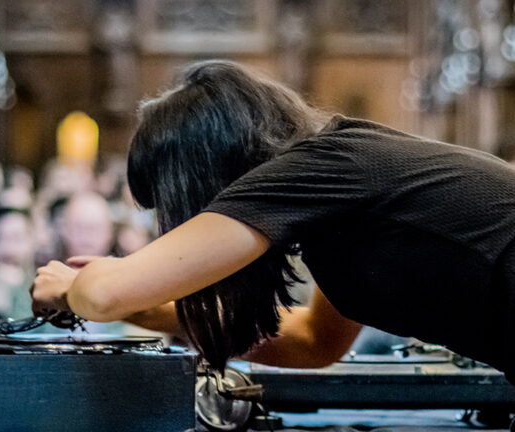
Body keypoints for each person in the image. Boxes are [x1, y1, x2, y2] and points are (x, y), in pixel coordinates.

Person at [30, 60, 515, 381]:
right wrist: (134, 307)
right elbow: (314, 341)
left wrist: (71, 287)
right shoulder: (335, 202)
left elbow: (102, 293)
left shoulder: (323, 165)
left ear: (205, 174)